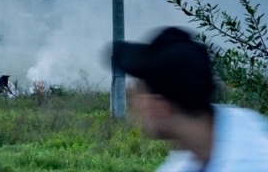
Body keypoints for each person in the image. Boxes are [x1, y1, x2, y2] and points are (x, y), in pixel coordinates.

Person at [112, 26, 268, 171]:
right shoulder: (190, 160)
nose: (135, 102)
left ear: (159, 107)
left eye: (140, 92)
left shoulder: (256, 162)